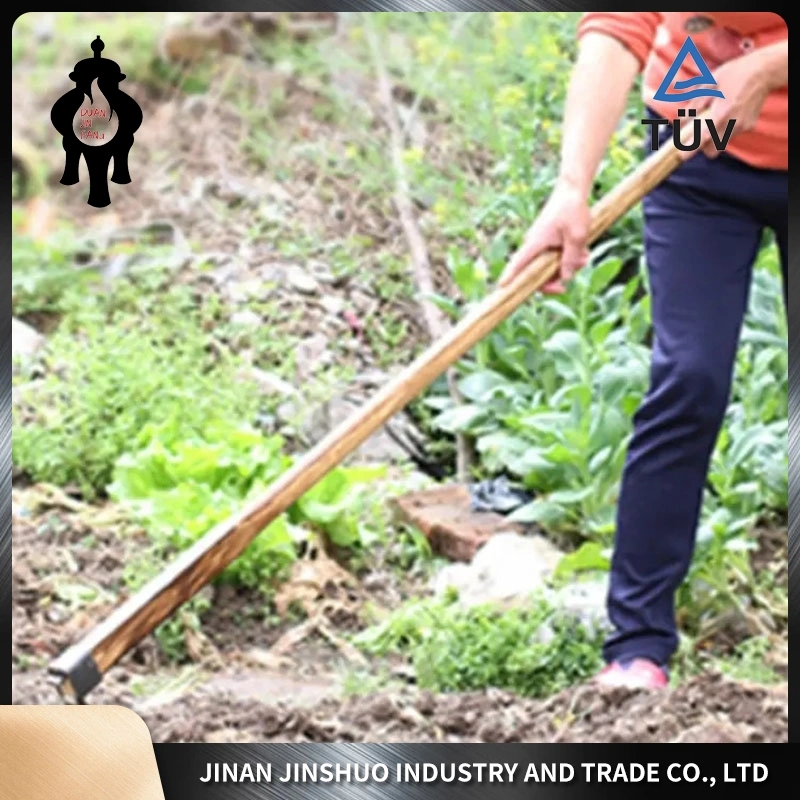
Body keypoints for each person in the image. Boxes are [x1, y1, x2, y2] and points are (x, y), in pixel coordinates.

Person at [499, 12, 788, 689]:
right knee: (688, 375)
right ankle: (636, 645)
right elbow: (618, 28)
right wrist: (572, 189)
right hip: (698, 147)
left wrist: (768, 67)